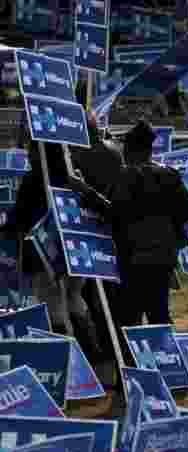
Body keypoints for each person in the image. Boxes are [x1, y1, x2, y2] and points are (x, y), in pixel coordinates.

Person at [1, 131, 110, 355]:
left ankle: (68, 353)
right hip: (76, 249)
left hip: (46, 250)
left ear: (39, 152)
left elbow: (19, 218)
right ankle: (90, 348)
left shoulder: (35, 179)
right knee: (73, 296)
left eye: (31, 149)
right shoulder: (73, 176)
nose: (29, 153)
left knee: (53, 301)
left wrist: (7, 230)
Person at [94, 120, 188, 347]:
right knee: (159, 314)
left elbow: (112, 214)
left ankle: (133, 370)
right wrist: (168, 221)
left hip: (133, 258)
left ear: (131, 150)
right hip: (163, 257)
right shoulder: (168, 176)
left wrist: (88, 195)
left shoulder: (126, 177)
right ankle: (169, 368)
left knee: (130, 319)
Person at [72, 113, 124, 378]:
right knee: (113, 296)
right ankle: (117, 350)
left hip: (92, 230)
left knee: (97, 297)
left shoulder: (79, 159)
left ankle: (107, 353)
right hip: (119, 232)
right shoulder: (116, 151)